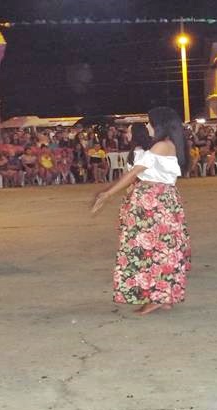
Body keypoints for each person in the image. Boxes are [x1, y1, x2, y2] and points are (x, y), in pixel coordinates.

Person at [91, 107, 191, 316]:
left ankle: (158, 297)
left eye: (149, 122)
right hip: (156, 200)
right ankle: (162, 297)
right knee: (159, 248)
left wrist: (107, 194)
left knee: (151, 248)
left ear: (160, 125)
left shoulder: (162, 146)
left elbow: (136, 172)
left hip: (154, 202)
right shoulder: (164, 146)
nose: (147, 126)